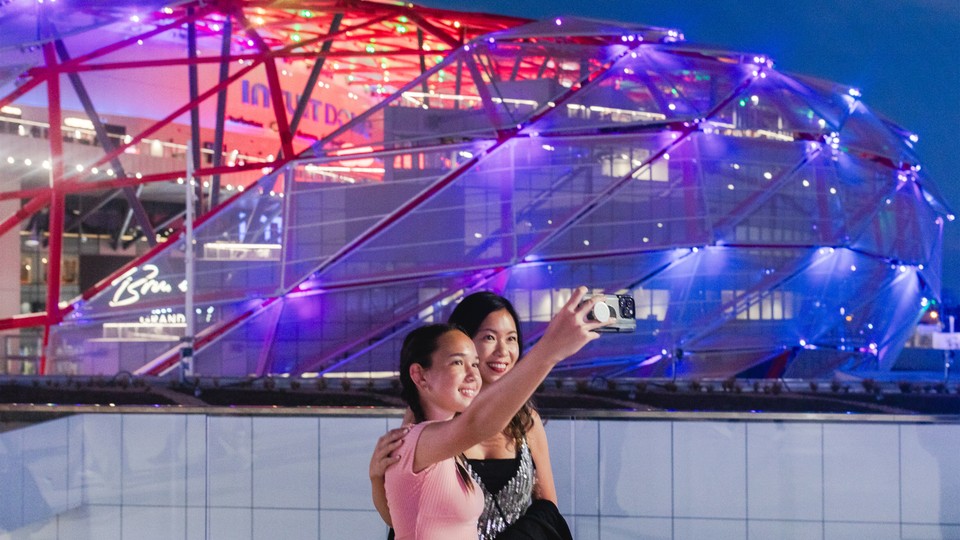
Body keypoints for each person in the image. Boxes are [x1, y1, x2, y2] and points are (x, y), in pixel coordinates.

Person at [377, 287, 603, 539]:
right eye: (488, 338)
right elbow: (402, 510)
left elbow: (547, 507)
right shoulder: (423, 428)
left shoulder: (526, 420)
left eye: (511, 338)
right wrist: (551, 349)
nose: (503, 351)